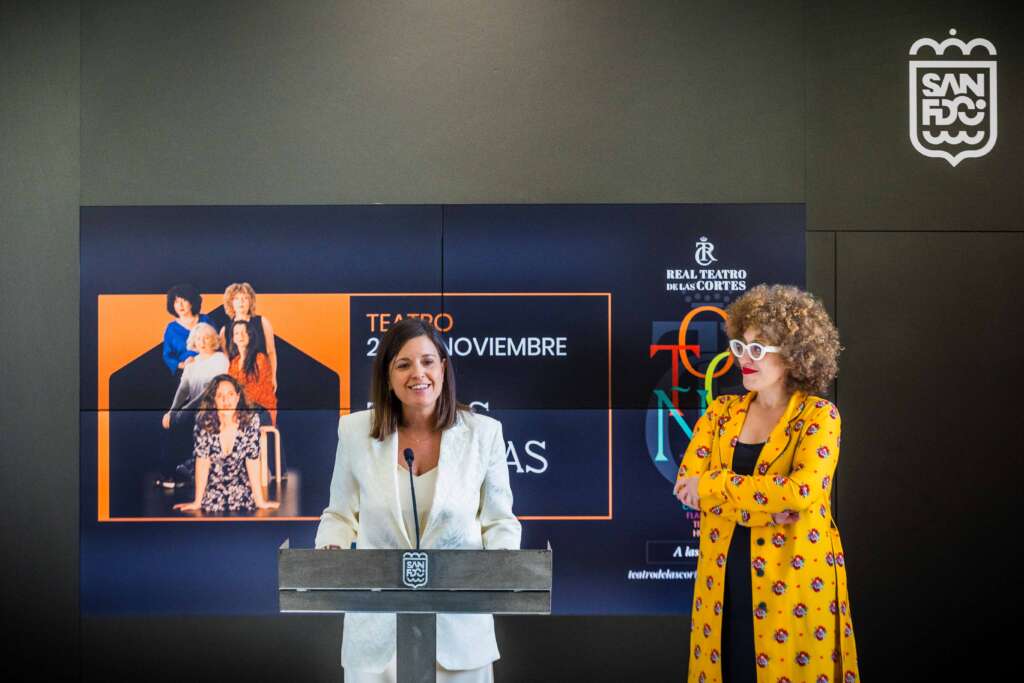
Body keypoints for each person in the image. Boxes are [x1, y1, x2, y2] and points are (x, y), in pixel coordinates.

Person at [315, 318, 521, 683]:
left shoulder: (483, 434)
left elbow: (500, 521)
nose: (418, 374)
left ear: (443, 368)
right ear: (387, 376)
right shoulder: (355, 432)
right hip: (378, 636)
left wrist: (502, 564)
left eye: (427, 361)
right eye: (403, 364)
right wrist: (330, 548)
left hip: (459, 634)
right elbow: (339, 514)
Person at [674, 285, 859, 683]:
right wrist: (766, 510)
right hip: (722, 583)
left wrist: (714, 483)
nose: (744, 358)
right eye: (741, 346)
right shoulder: (721, 413)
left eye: (758, 348)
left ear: (793, 354)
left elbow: (800, 493)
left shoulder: (819, 416)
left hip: (793, 585)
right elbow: (687, 488)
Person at [173, 374, 279, 514]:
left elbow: (252, 460)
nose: (226, 400)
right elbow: (202, 461)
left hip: (242, 486)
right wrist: (197, 502)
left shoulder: (251, 420)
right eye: (220, 395)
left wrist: (260, 501)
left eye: (230, 394)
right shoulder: (204, 421)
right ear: (213, 400)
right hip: (212, 488)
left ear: (237, 397)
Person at [157, 322, 229, 488]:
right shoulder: (192, 362)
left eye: (206, 338)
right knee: (170, 422)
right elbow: (183, 390)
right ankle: (171, 473)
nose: (202, 342)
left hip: (214, 406)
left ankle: (187, 466)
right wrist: (171, 411)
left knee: (186, 419)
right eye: (198, 339)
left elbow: (212, 390)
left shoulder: (220, 359)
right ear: (193, 341)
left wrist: (186, 409)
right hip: (193, 408)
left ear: (213, 340)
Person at [220, 282, 278, 391]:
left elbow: (271, 352)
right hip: (237, 382)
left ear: (250, 301)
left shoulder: (263, 322)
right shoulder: (224, 330)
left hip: (261, 378)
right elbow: (226, 361)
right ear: (231, 302)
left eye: (245, 298)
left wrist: (273, 376)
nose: (241, 302)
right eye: (236, 298)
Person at [227, 319, 277, 425]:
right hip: (242, 409)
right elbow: (231, 388)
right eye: (236, 333)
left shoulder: (260, 359)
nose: (240, 336)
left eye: (244, 332)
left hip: (262, 409)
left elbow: (258, 391)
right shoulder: (234, 362)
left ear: (250, 336)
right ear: (233, 338)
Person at [161, 283, 211, 375]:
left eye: (184, 300)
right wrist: (182, 365)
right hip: (185, 372)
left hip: (209, 368)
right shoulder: (171, 329)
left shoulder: (205, 320)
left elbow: (217, 344)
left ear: (192, 302)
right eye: (176, 302)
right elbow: (167, 356)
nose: (180, 305)